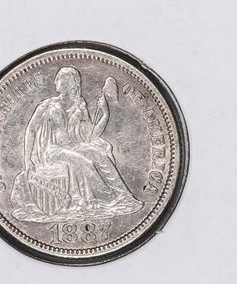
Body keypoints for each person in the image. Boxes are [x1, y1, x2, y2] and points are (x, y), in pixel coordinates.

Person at [10, 66, 143, 222]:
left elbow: (90, 135)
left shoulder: (79, 106)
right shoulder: (46, 106)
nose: (55, 81)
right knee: (81, 161)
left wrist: (105, 114)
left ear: (70, 83)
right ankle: (103, 198)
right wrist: (27, 159)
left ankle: (123, 195)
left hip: (73, 147)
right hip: (52, 151)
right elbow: (31, 130)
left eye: (60, 78)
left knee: (98, 154)